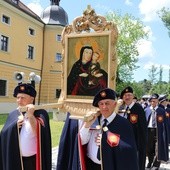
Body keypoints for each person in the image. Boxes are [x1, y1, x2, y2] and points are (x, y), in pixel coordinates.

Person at [79, 88, 139, 170]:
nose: (104, 107)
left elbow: (129, 150)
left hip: (112, 166)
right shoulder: (93, 120)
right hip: (91, 165)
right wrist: (87, 125)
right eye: (101, 104)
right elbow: (82, 141)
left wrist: (105, 140)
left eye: (107, 103)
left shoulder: (124, 123)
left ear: (114, 104)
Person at [0, 83, 51, 170]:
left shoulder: (41, 113)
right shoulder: (13, 114)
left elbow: (39, 133)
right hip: (15, 160)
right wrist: (13, 127)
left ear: (32, 99)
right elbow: (3, 135)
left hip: (34, 161)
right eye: (18, 97)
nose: (19, 100)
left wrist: (31, 116)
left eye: (22, 97)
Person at [119, 86, 147, 170]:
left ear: (133, 96)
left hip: (135, 142)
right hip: (122, 141)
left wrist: (141, 144)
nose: (127, 97)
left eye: (129, 95)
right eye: (125, 95)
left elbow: (142, 128)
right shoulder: (120, 108)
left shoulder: (138, 108)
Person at [145, 93, 169, 169]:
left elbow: (165, 123)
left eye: (154, 101)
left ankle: (156, 165)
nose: (153, 103)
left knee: (157, 149)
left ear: (158, 101)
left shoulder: (161, 111)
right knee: (149, 149)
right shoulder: (146, 110)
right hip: (148, 131)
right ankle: (150, 161)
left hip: (158, 132)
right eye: (151, 101)